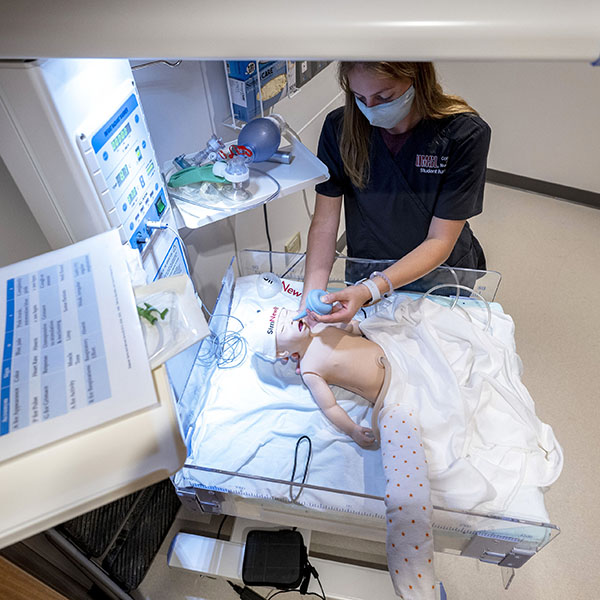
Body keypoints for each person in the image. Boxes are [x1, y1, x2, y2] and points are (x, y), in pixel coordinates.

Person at [300, 61, 491, 324]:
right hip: (367, 270)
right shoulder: (341, 129)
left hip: (438, 277)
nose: (370, 108)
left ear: (417, 79)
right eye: (359, 97)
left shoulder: (463, 134)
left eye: (384, 97)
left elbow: (440, 241)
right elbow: (324, 225)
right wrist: (311, 299)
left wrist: (371, 288)